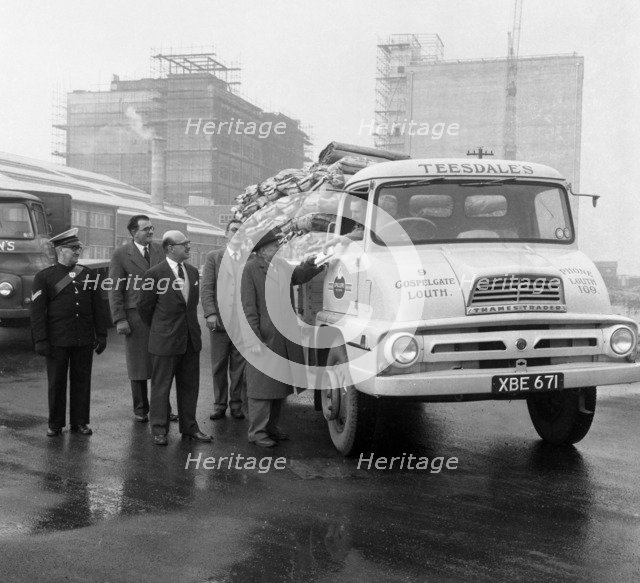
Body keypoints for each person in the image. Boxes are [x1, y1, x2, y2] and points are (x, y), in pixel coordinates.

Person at [241, 228, 324, 447]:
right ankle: (257, 432)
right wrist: (254, 339)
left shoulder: (281, 265)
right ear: (262, 250)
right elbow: (248, 308)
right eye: (275, 246)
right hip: (265, 337)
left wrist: (311, 264)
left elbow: (299, 276)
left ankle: (271, 428)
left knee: (279, 386)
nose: (279, 248)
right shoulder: (250, 269)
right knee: (261, 389)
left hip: (283, 337)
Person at [30, 228, 109, 437]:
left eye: (79, 248)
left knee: (82, 380)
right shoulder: (44, 277)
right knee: (56, 382)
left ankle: (80, 422)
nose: (77, 252)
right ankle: (55, 424)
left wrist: (101, 334)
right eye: (73, 248)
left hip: (83, 338)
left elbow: (98, 306)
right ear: (60, 250)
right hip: (57, 340)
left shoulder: (88, 274)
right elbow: (37, 312)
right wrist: (41, 339)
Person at [137, 230, 212, 445]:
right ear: (170, 248)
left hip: (190, 340)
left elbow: (190, 305)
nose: (189, 247)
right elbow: (145, 308)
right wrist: (161, 329)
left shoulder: (191, 271)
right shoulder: (154, 274)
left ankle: (189, 428)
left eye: (188, 243)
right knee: (161, 386)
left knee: (190, 386)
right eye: (184, 244)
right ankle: (159, 429)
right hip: (165, 341)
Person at [108, 214, 178, 423]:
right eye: (146, 229)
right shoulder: (121, 254)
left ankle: (163, 408)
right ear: (133, 232)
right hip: (135, 316)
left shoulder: (160, 250)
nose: (151, 232)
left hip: (160, 315)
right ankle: (140, 408)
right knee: (138, 364)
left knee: (161, 362)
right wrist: (119, 318)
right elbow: (115, 288)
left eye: (151, 228)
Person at [201, 219, 247, 420]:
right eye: (234, 230)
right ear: (226, 234)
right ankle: (219, 404)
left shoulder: (250, 258)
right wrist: (210, 313)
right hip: (219, 322)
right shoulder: (214, 257)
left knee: (239, 366)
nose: (237, 234)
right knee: (219, 365)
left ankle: (236, 405)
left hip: (242, 324)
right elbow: (207, 287)